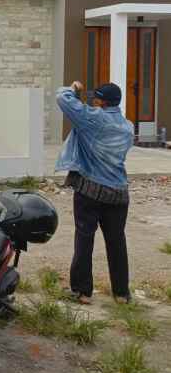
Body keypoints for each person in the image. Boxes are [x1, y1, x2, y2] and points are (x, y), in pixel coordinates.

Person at [56, 81, 133, 305]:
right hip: (119, 192)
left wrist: (73, 88)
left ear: (103, 102)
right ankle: (121, 293)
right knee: (116, 241)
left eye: (96, 98)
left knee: (84, 238)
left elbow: (62, 98)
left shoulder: (93, 118)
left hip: (90, 190)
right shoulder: (128, 126)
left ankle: (82, 292)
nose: (93, 101)